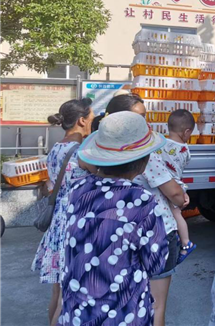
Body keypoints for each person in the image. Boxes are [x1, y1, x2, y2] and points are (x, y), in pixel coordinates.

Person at [59, 111, 169, 325]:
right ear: (143, 161)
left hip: (76, 314)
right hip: (122, 315)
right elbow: (156, 264)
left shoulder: (78, 189)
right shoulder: (140, 200)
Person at [94, 94, 186, 326]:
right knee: (156, 304)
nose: (144, 122)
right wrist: (181, 198)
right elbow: (174, 193)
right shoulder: (144, 157)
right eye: (139, 117)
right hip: (155, 231)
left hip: (109, 231)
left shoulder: (95, 158)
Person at [32, 99, 95, 326]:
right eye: (92, 119)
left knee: (57, 293)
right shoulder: (82, 153)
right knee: (67, 297)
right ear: (82, 121)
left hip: (58, 223)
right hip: (75, 223)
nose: (93, 123)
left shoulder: (56, 148)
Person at [161, 109, 196, 264]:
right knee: (176, 213)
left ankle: (185, 242)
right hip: (177, 185)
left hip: (167, 185)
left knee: (174, 213)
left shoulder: (160, 144)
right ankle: (185, 242)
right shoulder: (185, 150)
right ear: (186, 132)